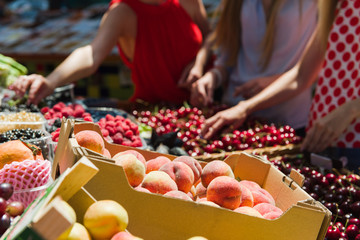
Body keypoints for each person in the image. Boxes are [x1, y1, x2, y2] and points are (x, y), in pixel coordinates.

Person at [203, 0, 360, 169]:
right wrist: (244, 107)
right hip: (321, 139)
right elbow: (301, 75)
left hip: (352, 142)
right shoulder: (337, 4)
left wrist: (350, 109)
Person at [9, 0, 210, 105]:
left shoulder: (188, 1)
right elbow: (92, 54)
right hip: (156, 111)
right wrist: (52, 81)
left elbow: (210, 38)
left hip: (207, 103)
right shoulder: (122, 12)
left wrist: (199, 64)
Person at [190, 0, 318, 140]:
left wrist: (271, 83)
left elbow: (318, 65)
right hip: (232, 118)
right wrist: (214, 76)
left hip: (285, 124)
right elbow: (229, 58)